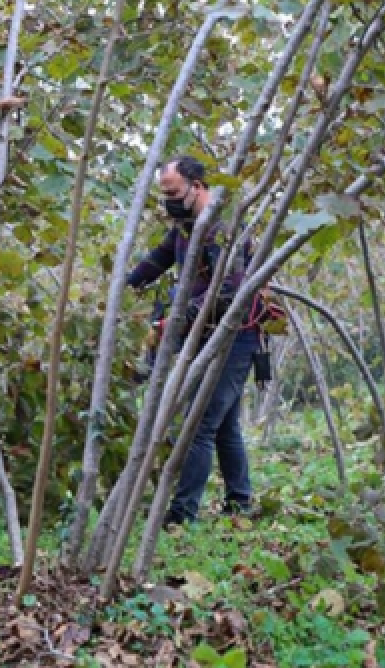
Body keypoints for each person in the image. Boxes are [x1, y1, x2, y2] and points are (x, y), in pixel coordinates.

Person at [126, 155, 264, 526]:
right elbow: (158, 260)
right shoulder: (186, 228)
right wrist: (125, 290)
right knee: (225, 426)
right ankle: (240, 503)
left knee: (200, 424)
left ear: (197, 186)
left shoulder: (222, 229)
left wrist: (178, 318)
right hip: (205, 336)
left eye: (173, 192)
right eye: (163, 193)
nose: (168, 200)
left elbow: (230, 291)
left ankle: (181, 514)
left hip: (237, 336)